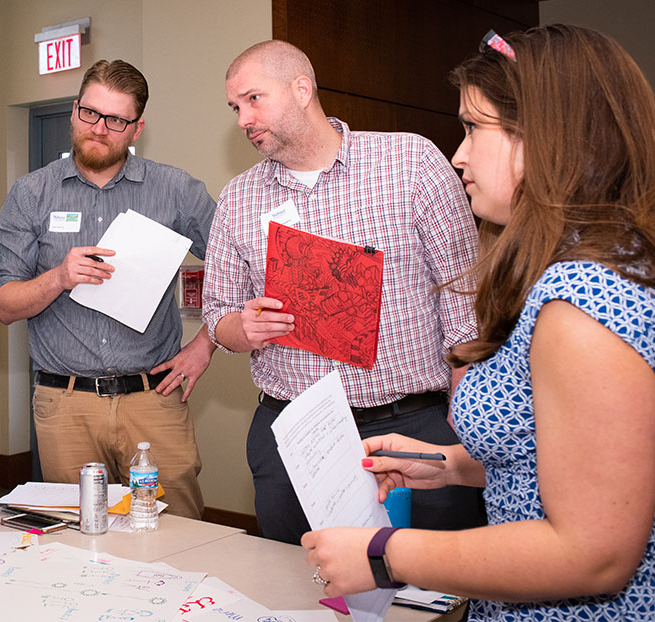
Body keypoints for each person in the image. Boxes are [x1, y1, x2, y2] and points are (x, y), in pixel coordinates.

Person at [302, 25, 655, 618]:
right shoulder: (584, 268)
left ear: (545, 137)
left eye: (472, 127)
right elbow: (557, 451)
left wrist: (386, 552)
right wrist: (444, 465)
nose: (458, 155)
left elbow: (594, 553)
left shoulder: (583, 301)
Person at [203, 40, 486, 544]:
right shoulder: (237, 198)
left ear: (302, 89)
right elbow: (218, 317)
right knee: (295, 586)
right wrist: (243, 328)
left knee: (429, 592)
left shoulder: (411, 163)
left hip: (412, 424)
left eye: (253, 99)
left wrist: (464, 419)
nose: (242, 119)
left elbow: (464, 295)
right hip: (291, 431)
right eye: (234, 108)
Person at [0, 59, 217, 519]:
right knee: (78, 545)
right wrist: (59, 277)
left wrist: (206, 344)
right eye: (90, 114)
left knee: (179, 538)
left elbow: (243, 271)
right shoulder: (31, 194)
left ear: (136, 128)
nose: (99, 129)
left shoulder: (175, 190)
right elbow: (4, 305)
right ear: (74, 111)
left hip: (153, 400)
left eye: (116, 120)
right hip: (65, 404)